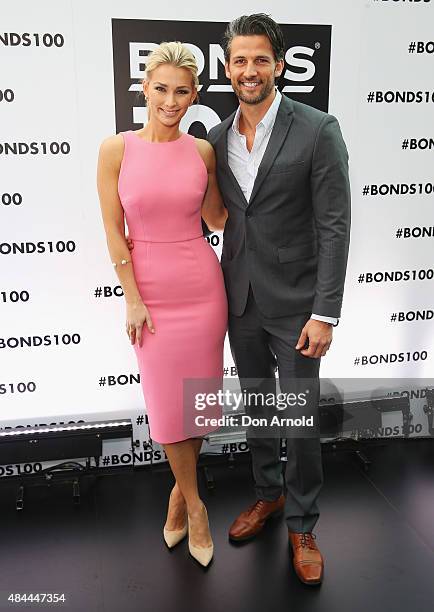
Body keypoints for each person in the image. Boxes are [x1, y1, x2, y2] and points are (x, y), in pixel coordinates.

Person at [206, 14, 351, 585]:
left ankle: (302, 523)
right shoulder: (215, 138)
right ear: (226, 68)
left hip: (298, 307)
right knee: (260, 407)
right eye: (239, 60)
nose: (249, 70)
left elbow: (334, 225)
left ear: (280, 65)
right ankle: (267, 494)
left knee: (301, 419)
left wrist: (325, 311)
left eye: (260, 59)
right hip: (238, 298)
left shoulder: (317, 128)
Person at [97, 41, 228, 567]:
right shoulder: (116, 149)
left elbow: (218, 220)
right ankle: (197, 507)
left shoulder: (201, 151)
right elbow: (113, 231)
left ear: (194, 95)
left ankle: (177, 495)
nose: (170, 101)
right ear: (144, 88)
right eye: (161, 89)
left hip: (202, 283)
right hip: (149, 288)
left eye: (181, 91)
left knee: (197, 401)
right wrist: (132, 299)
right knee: (167, 403)